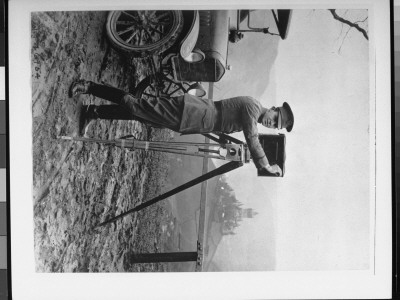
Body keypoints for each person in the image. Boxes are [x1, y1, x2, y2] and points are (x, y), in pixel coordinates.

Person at [69, 80, 294, 176]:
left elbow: (225, 125)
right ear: (273, 108)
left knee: (141, 115)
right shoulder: (253, 108)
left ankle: (94, 112)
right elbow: (252, 138)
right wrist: (266, 166)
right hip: (191, 111)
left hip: (192, 120)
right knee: (136, 105)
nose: (271, 123)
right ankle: (89, 86)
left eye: (275, 126)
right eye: (275, 118)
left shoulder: (252, 116)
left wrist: (225, 147)